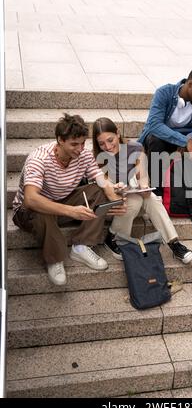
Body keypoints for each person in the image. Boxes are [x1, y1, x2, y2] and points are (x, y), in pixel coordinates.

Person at [12, 113, 124, 286]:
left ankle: (81, 247)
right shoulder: (39, 159)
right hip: (29, 213)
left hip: (62, 200)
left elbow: (101, 180)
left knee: (98, 189)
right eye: (74, 144)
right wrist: (71, 211)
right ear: (60, 140)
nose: (79, 149)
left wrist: (114, 199)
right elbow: (30, 200)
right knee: (41, 209)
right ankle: (55, 258)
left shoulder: (84, 155)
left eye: (82, 143)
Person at [92, 117, 192, 264]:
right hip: (113, 206)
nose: (107, 147)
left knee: (149, 197)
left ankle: (174, 243)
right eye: (101, 143)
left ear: (118, 133)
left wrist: (144, 187)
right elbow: (107, 187)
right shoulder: (97, 158)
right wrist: (116, 189)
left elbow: (143, 177)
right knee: (134, 200)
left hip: (134, 199)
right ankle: (113, 237)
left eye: (110, 140)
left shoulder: (135, 148)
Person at [138, 66, 192, 220]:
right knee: (155, 140)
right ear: (190, 84)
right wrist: (184, 141)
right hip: (162, 138)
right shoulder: (164, 93)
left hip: (185, 138)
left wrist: (189, 140)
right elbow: (155, 125)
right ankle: (157, 195)